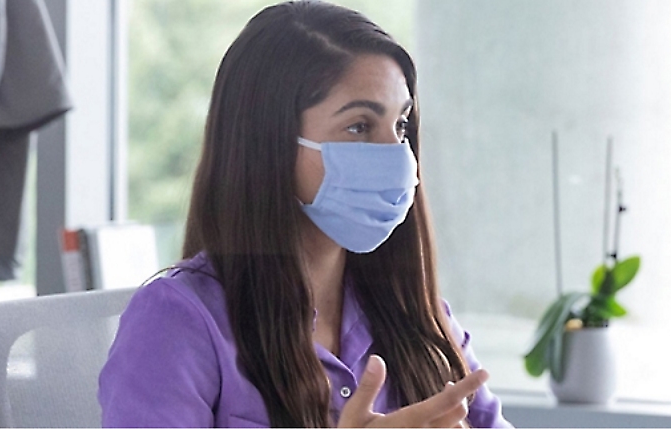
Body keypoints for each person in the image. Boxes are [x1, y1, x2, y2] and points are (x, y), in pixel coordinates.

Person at [98, 1, 512, 427]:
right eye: (359, 126)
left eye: (402, 125)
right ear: (269, 142)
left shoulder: (420, 317)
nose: (398, 156)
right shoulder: (177, 321)